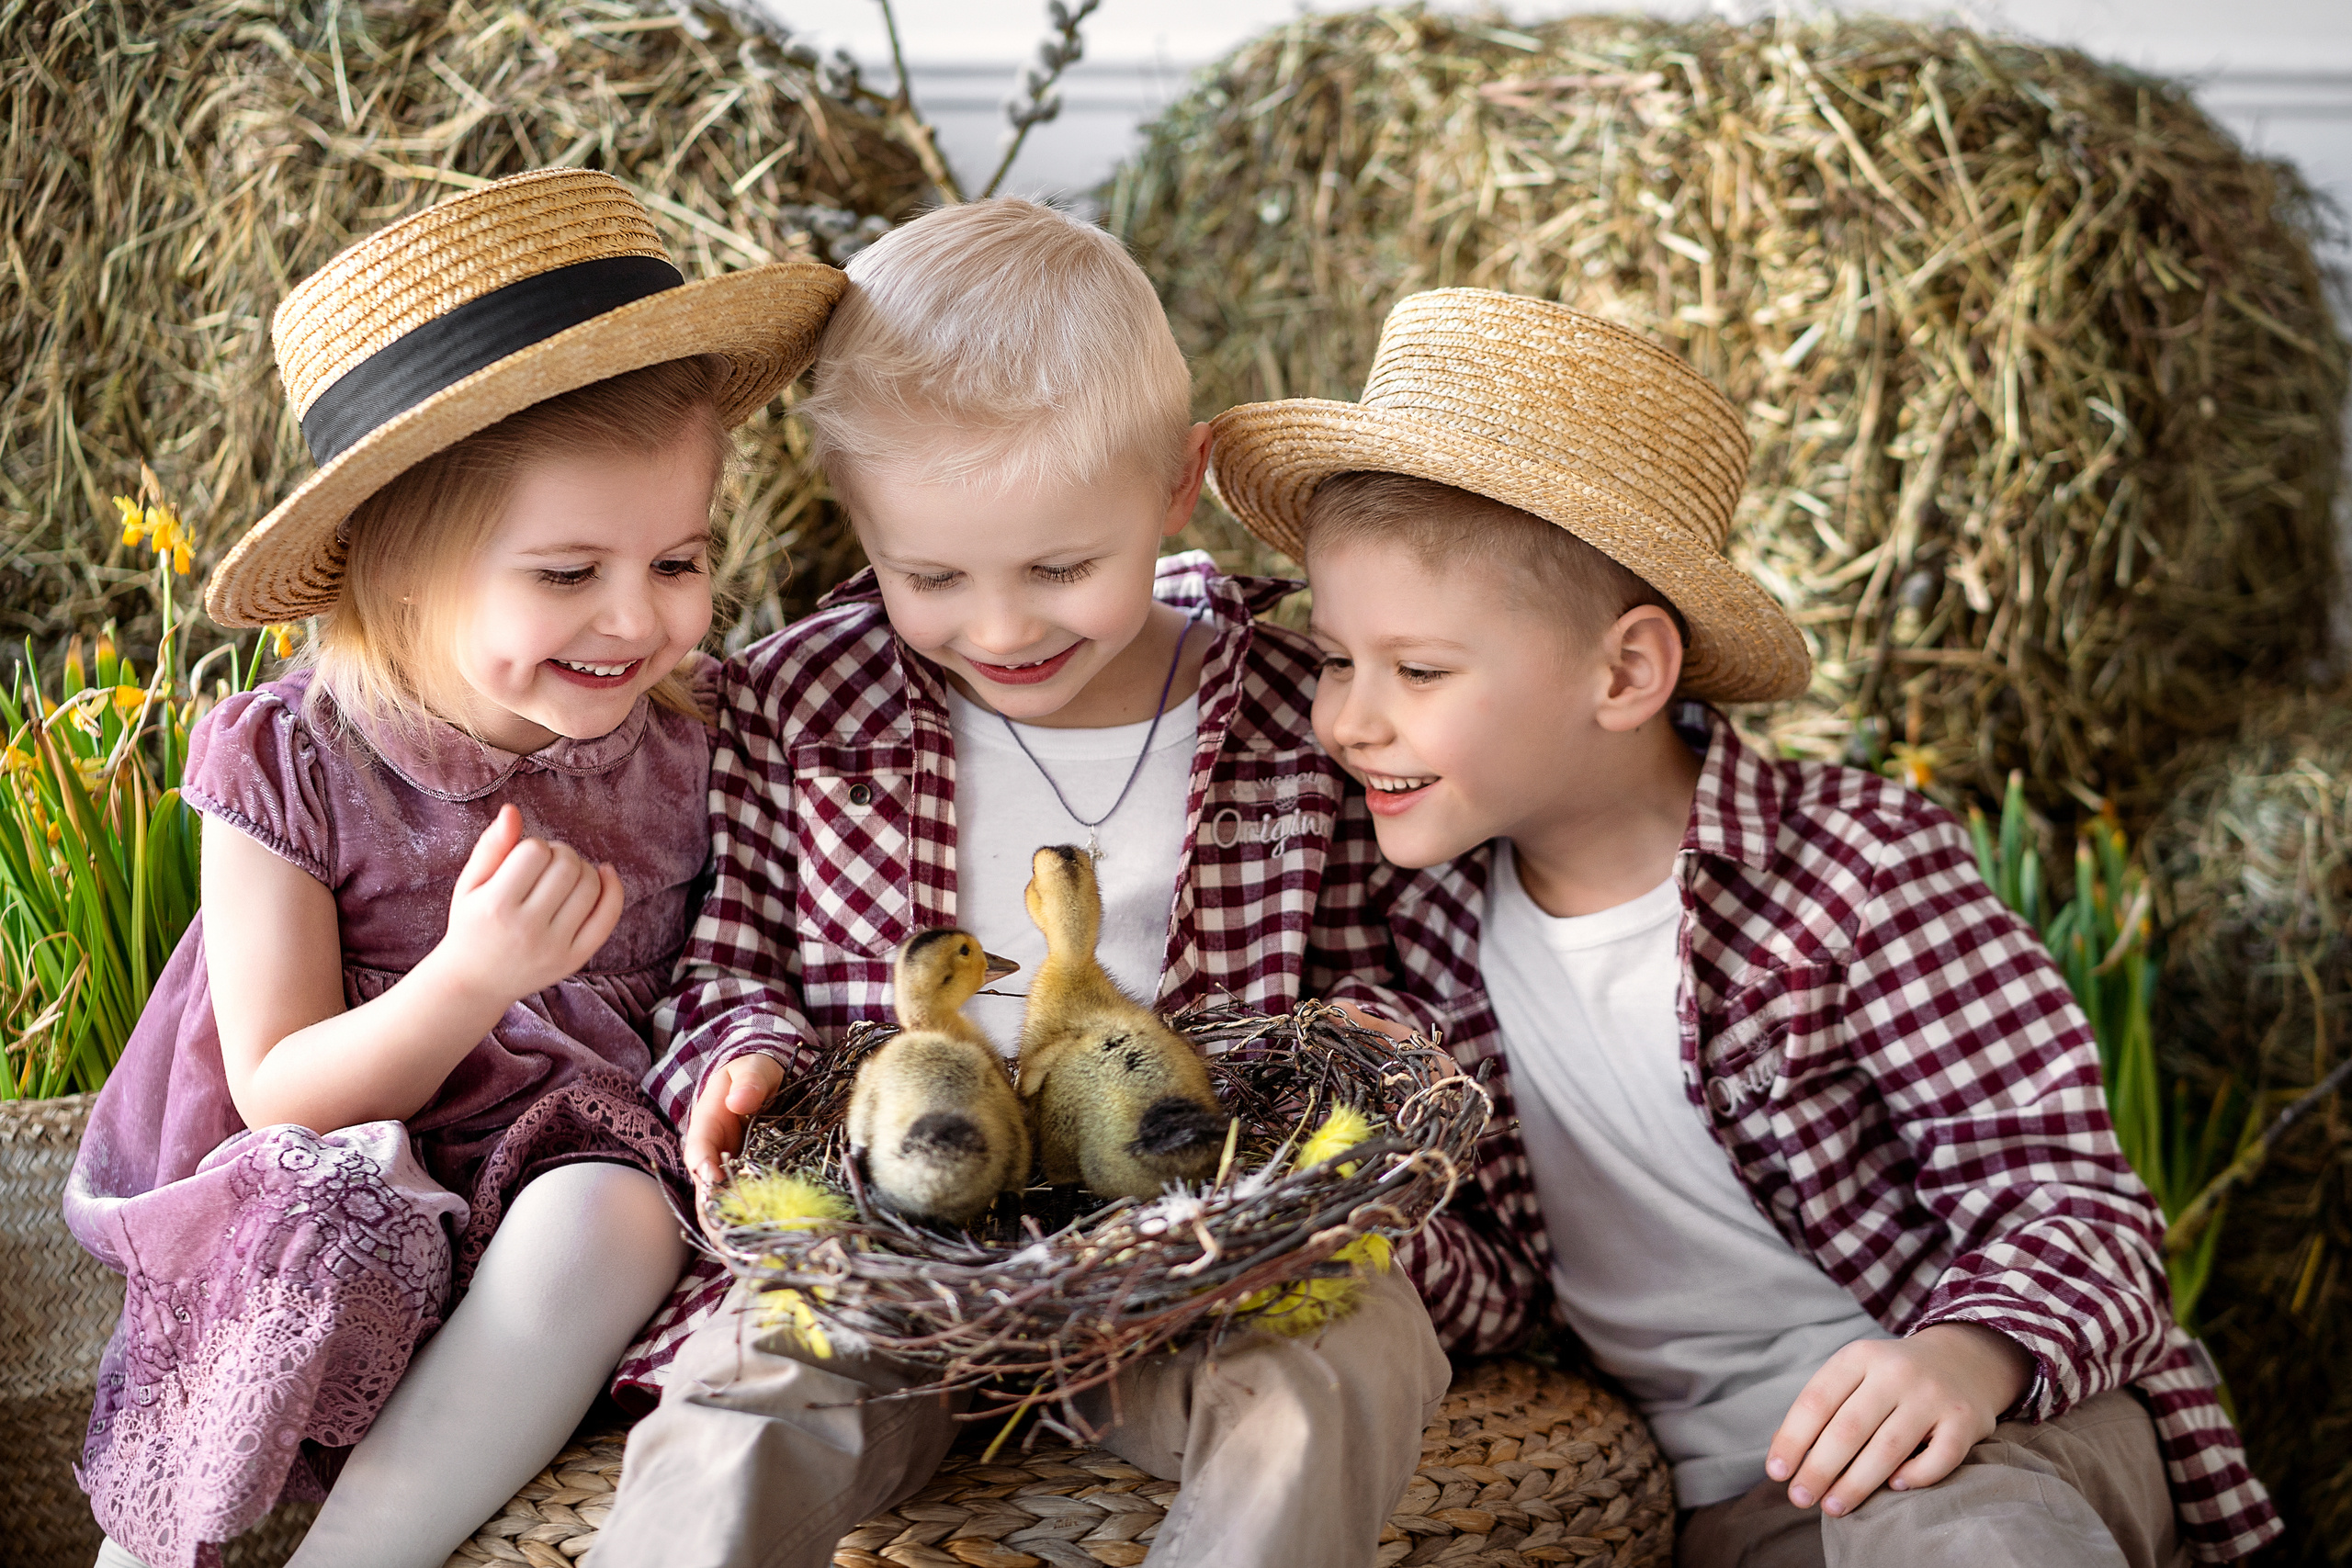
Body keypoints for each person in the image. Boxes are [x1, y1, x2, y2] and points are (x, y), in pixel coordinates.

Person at [1203, 287, 2282, 1567]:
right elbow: (1499, 1284)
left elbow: (2078, 1209)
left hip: (1996, 1425)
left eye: (1417, 670)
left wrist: (1966, 1355)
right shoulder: (1421, 939)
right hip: (1732, 1498)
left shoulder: (1856, 874)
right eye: (1333, 659)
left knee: (1960, 1543)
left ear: (1626, 673)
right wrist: (1344, 1230)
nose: (1348, 721)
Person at [594, 197, 1453, 1568]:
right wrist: (740, 1058)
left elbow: (1374, 963)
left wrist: (1360, 1060)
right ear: (853, 515)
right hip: (891, 1242)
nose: (999, 628)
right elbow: (728, 956)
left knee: (1340, 1365)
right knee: (739, 1410)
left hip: (1203, 1243)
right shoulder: (801, 705)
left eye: (1064, 567)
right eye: (930, 574)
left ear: (1179, 487)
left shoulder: (1299, 710)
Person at [62, 170, 842, 1568]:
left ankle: (360, 1554)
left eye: (680, 557)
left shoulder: (698, 735)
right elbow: (279, 1089)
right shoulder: (292, 763)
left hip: (568, 1186)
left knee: (614, 1209)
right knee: (305, 1218)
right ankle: (164, 1543)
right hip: (353, 1172)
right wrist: (472, 975)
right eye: (565, 574)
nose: (636, 616)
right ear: (400, 570)